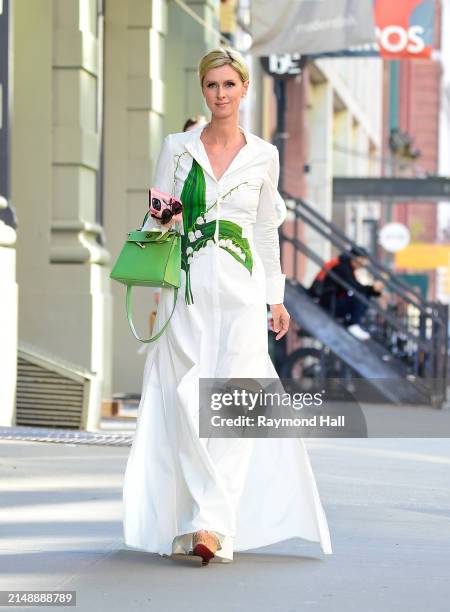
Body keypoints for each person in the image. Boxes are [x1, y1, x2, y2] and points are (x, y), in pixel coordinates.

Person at [123, 46, 332, 565]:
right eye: (212, 86)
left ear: (244, 90)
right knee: (186, 397)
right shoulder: (177, 147)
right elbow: (154, 219)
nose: (221, 94)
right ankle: (203, 517)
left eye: (229, 85)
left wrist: (275, 297)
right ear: (204, 91)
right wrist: (163, 220)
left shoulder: (263, 154)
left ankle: (211, 525)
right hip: (187, 290)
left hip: (240, 295)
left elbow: (264, 231)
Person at [310, 246, 384, 341]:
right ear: (356, 258)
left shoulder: (348, 268)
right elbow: (355, 287)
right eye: (364, 260)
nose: (365, 263)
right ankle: (353, 324)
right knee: (360, 295)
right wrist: (372, 288)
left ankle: (355, 324)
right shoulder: (342, 267)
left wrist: (374, 291)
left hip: (334, 302)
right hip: (328, 303)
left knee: (364, 295)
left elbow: (357, 286)